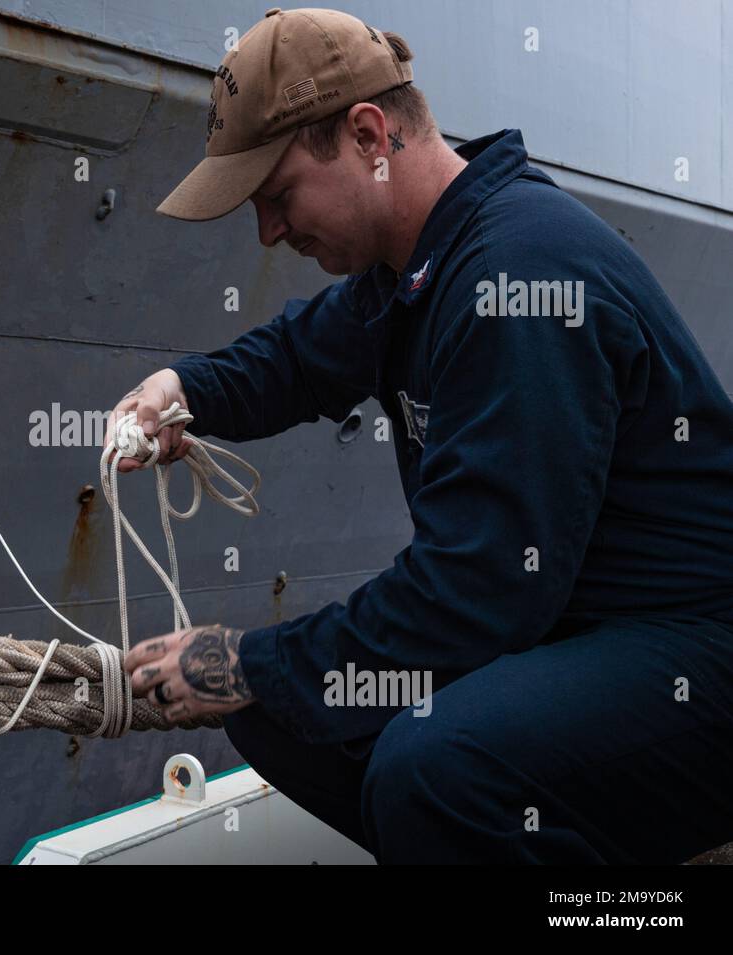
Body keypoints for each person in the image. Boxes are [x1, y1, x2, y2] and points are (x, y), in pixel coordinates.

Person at [106, 7, 733, 863]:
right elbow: (299, 358)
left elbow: (476, 593)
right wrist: (185, 392)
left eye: (278, 195)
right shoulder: (418, 264)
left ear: (368, 135)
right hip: (582, 641)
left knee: (432, 768)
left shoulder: (517, 276)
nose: (268, 231)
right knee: (278, 712)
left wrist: (248, 658)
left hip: (694, 655)